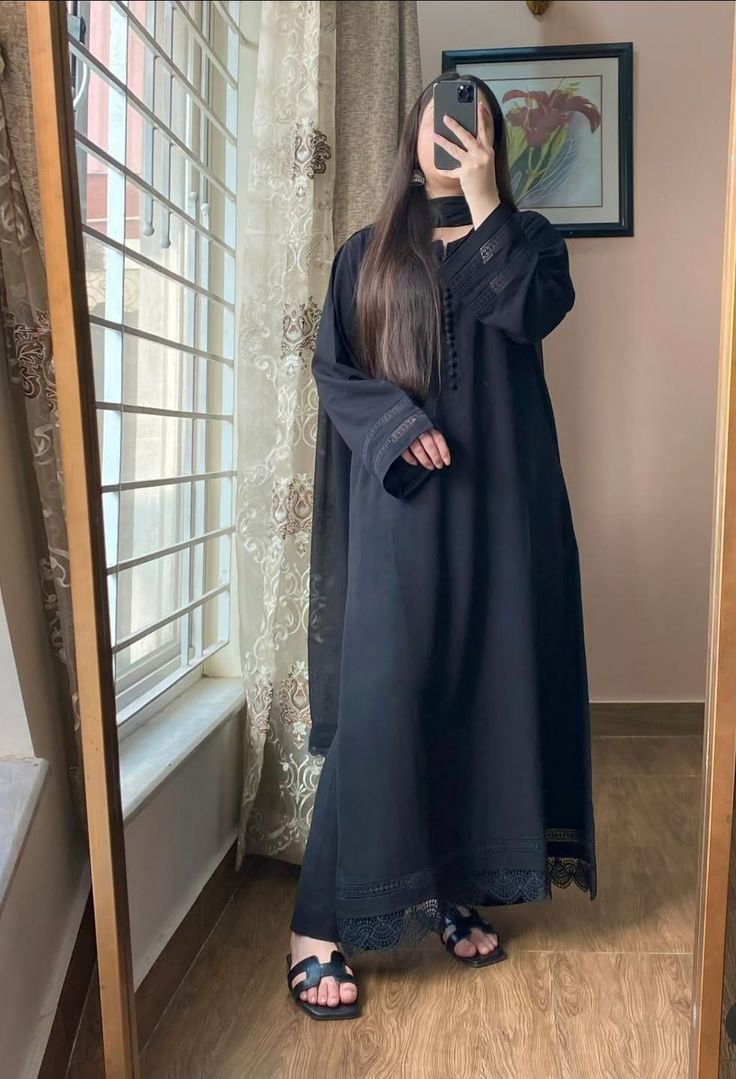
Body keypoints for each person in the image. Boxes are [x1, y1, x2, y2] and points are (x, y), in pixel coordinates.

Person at [285, 72, 597, 1021]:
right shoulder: (367, 252)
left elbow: (530, 311)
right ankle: (316, 926)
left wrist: (490, 203)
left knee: (477, 689)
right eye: (443, 116)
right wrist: (393, 426)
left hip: (504, 512)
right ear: (411, 136)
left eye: (478, 120)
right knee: (380, 701)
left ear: (494, 142)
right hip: (402, 510)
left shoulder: (531, 242)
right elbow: (334, 368)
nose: (460, 130)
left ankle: (451, 889)